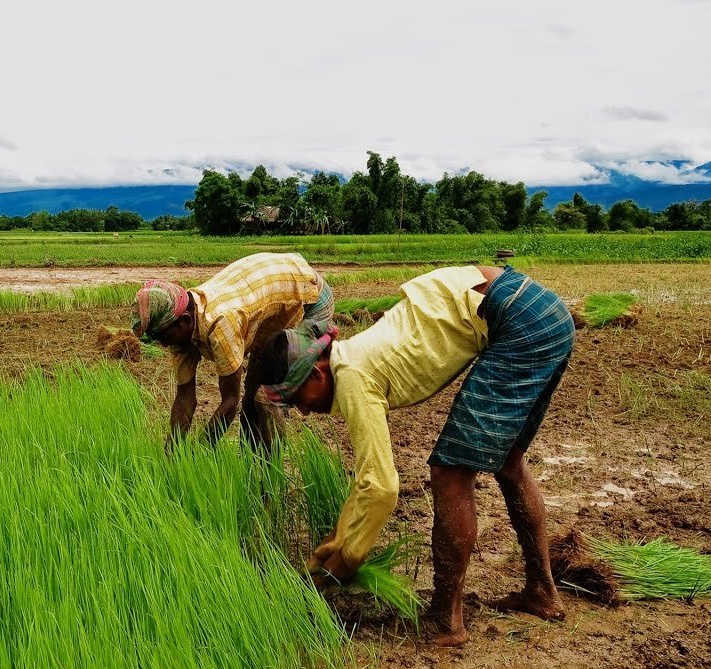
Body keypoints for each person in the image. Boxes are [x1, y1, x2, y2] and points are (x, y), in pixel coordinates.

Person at [243, 265, 576, 646]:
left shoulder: (351, 376)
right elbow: (371, 480)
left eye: (297, 399)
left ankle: (446, 619)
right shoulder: (353, 357)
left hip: (517, 318)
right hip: (540, 310)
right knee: (509, 462)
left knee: (450, 472)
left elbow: (381, 487)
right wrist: (337, 541)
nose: (302, 412)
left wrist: (345, 560)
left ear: (317, 375)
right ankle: (542, 591)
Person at [131, 252, 333, 447]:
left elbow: (230, 402)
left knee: (265, 397)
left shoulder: (221, 323)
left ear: (185, 321)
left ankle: (272, 473)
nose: (164, 345)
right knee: (250, 398)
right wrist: (173, 451)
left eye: (164, 337)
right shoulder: (178, 326)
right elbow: (185, 397)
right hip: (266, 303)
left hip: (310, 298)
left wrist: (199, 452)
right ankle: (251, 463)